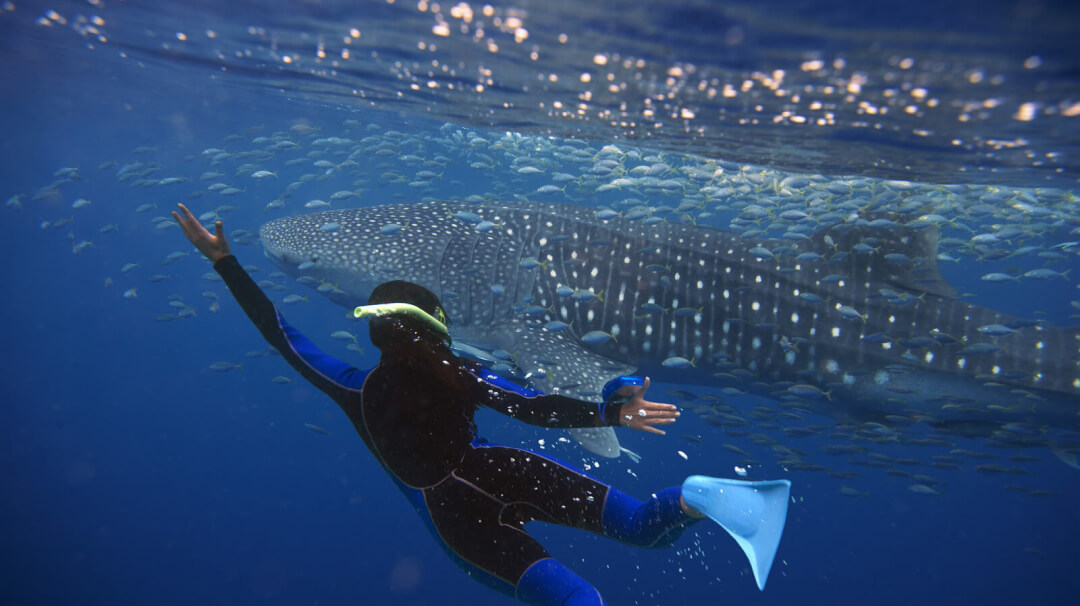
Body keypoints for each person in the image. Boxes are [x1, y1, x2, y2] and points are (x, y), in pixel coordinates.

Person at [172, 203, 792, 605]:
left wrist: (227, 264)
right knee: (638, 526)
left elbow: (282, 337)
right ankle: (699, 496)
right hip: (506, 470)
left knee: (575, 600)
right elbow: (536, 406)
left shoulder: (353, 388)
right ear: (438, 324)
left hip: (457, 516)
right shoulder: (465, 373)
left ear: (372, 328)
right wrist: (607, 408)